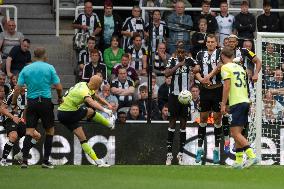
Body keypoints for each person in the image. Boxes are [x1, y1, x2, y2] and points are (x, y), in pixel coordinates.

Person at [11, 47, 63, 169]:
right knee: (49, 131)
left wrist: (14, 103)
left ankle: (24, 161)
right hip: (45, 102)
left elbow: (17, 89)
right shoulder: (49, 68)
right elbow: (59, 87)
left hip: (32, 103)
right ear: (45, 56)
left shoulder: (26, 69)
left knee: (29, 132)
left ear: (34, 56)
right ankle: (45, 161)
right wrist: (60, 97)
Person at [57, 75, 114, 167]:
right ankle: (109, 124)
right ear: (97, 85)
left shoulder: (83, 84)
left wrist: (108, 105)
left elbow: (97, 98)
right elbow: (91, 102)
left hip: (62, 114)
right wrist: (105, 110)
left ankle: (98, 162)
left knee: (82, 138)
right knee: (90, 110)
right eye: (99, 85)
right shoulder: (83, 91)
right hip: (68, 113)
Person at [220, 47, 258, 169]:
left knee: (235, 133)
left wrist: (223, 104)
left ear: (222, 56)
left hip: (236, 102)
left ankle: (252, 155)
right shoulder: (240, 68)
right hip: (245, 101)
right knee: (238, 132)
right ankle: (238, 161)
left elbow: (227, 87)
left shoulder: (225, 67)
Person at [164, 48, 196, 165]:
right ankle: (169, 155)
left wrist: (195, 69)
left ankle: (180, 154)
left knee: (183, 125)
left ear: (186, 53)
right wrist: (178, 65)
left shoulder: (189, 60)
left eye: (183, 52)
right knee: (172, 124)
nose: (181, 54)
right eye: (179, 52)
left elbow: (198, 68)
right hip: (174, 97)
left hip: (185, 98)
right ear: (176, 52)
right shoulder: (172, 61)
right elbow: (166, 73)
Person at [194, 34, 223, 164]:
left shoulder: (221, 53)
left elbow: (221, 66)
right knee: (203, 118)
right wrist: (202, 79)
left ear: (216, 43)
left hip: (218, 89)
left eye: (213, 42)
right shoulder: (200, 54)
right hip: (205, 90)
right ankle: (199, 149)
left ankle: (216, 149)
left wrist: (209, 76)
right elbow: (196, 70)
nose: (210, 44)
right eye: (208, 42)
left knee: (217, 119)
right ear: (206, 43)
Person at [0, 86, 41, 166]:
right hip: (10, 119)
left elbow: (26, 108)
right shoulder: (13, 94)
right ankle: (3, 160)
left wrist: (24, 119)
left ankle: (20, 154)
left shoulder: (29, 94)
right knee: (13, 136)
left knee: (37, 136)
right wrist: (13, 117)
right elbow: (2, 109)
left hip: (20, 120)